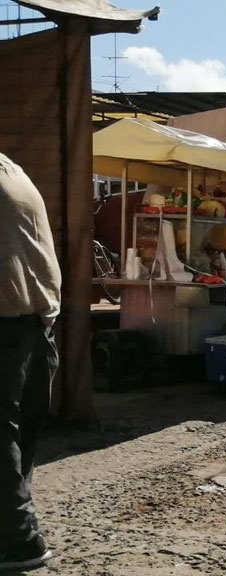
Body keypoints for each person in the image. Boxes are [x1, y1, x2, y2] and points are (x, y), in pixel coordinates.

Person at [0, 152, 61, 571]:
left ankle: (20, 540)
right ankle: (14, 530)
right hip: (37, 321)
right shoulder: (12, 169)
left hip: (6, 321)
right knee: (17, 434)